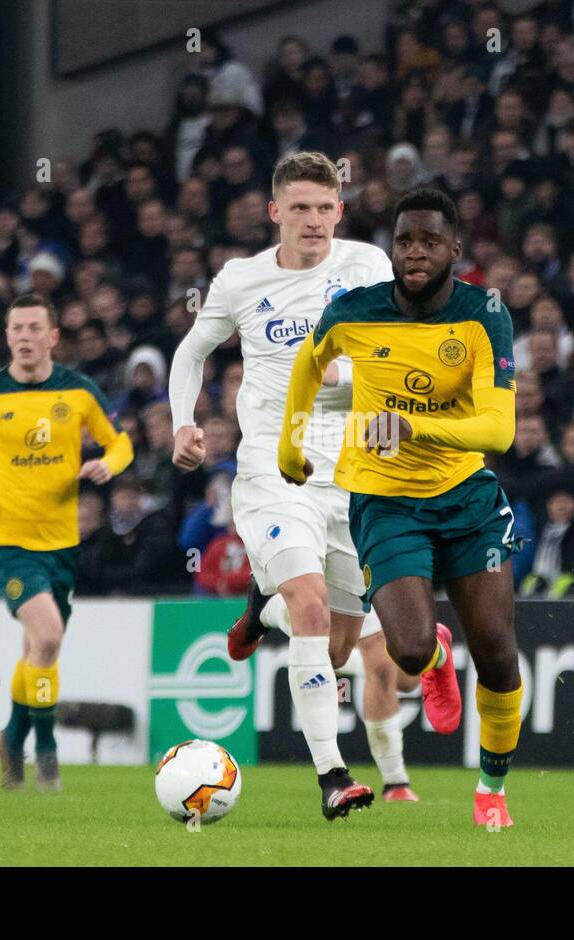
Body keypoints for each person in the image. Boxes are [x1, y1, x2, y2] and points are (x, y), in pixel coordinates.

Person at [168, 151, 423, 816]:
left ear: (339, 211)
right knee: (311, 606)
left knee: (336, 645)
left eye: (324, 208)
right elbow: (192, 351)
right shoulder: (241, 280)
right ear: (275, 212)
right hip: (275, 474)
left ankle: (261, 609)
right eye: (299, 208)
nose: (313, 221)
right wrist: (181, 423)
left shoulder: (366, 265)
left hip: (354, 481)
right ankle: (332, 777)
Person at [278, 187, 523, 827]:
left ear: (454, 251)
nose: (415, 253)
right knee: (408, 653)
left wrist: (416, 429)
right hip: (385, 502)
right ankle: (438, 653)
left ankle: (491, 790)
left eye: (430, 242)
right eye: (405, 241)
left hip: (468, 499)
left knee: (497, 653)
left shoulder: (483, 315)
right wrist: (291, 441)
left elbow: (498, 432)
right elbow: (308, 367)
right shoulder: (353, 312)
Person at [0, 293, 135, 794]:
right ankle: (45, 756)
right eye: (16, 328)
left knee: (37, 651)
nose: (24, 337)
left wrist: (107, 466)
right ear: (6, 337)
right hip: (5, 542)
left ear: (52, 337)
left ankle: (11, 737)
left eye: (33, 328)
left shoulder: (80, 392)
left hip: (62, 544)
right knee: (47, 637)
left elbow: (121, 442)